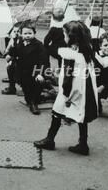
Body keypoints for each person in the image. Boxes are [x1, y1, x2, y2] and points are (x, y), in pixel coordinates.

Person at [34, 21, 98, 155]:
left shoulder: (71, 55)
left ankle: (50, 140)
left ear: (71, 37)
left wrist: (65, 94)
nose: (63, 36)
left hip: (71, 91)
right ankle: (83, 144)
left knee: (57, 113)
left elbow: (69, 78)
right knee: (81, 116)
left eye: (64, 34)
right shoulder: (86, 51)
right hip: (85, 90)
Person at [6, 22, 48, 115]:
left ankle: (34, 103)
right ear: (21, 34)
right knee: (25, 88)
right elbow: (15, 52)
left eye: (30, 33)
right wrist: (10, 54)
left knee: (35, 87)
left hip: (35, 71)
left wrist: (40, 73)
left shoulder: (39, 45)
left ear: (34, 33)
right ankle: (30, 99)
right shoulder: (19, 42)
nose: (27, 36)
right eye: (25, 34)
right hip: (22, 70)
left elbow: (43, 60)